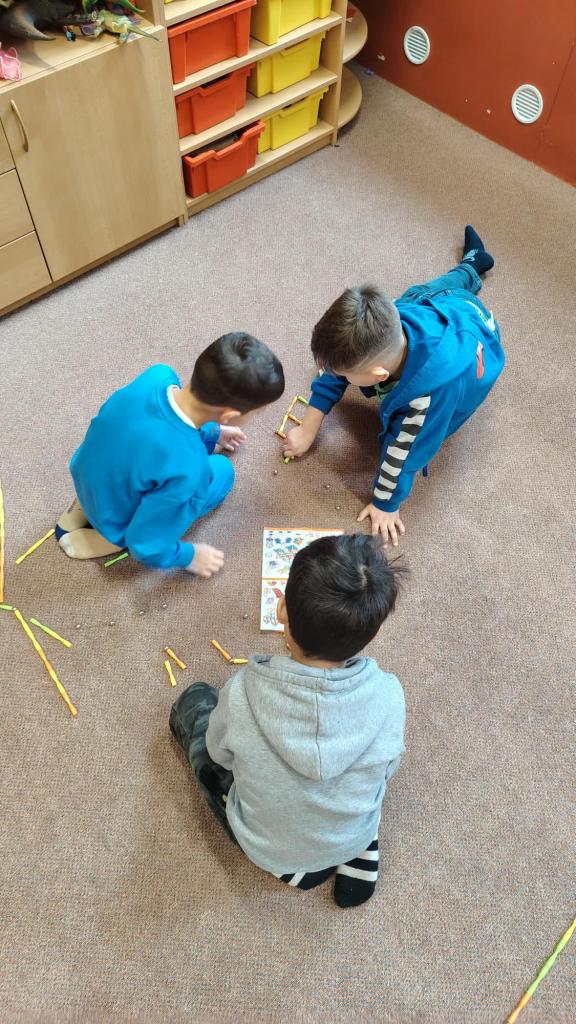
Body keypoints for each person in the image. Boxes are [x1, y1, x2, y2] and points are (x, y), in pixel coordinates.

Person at [170, 533, 406, 908]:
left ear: (281, 609)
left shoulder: (242, 692)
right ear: (371, 632)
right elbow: (387, 770)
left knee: (195, 705)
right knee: (355, 789)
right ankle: (354, 848)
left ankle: (296, 867)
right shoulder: (390, 694)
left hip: (269, 847)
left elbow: (219, 754)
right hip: (349, 832)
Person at [282, 227, 505, 547]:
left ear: (378, 373)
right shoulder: (394, 313)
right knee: (436, 287)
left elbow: (403, 455)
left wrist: (386, 504)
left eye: (344, 373)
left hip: (477, 340)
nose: (335, 374)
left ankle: (468, 273)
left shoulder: (423, 402)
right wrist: (308, 428)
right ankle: (473, 264)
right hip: (448, 303)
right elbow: (335, 370)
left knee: (411, 437)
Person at [56, 333, 284, 577]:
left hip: (87, 477)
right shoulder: (191, 469)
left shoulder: (157, 375)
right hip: (119, 518)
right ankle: (112, 537)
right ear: (229, 415)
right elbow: (146, 543)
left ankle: (87, 507)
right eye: (257, 413)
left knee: (142, 454)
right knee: (222, 471)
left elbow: (157, 426)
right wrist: (188, 556)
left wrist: (212, 431)